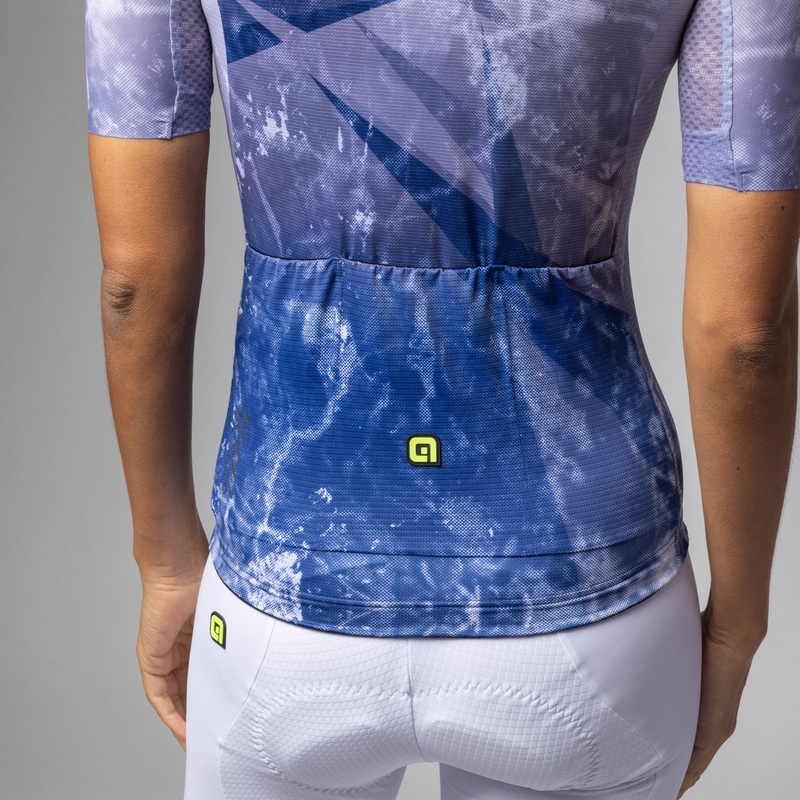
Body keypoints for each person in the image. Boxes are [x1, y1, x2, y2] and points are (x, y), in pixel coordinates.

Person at [85, 1, 800, 798]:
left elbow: (134, 285)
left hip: (287, 587)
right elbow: (746, 333)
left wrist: (165, 561)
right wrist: (738, 624)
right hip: (591, 597)